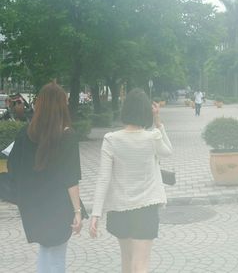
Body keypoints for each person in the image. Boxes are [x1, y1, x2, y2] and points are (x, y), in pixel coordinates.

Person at [89, 88, 173, 273]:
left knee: (127, 261)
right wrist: (158, 122)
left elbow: (103, 178)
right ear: (146, 111)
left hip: (120, 209)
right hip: (146, 208)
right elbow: (168, 151)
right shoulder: (152, 138)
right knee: (141, 264)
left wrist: (96, 213)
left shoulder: (111, 139)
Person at [8, 81, 83, 273]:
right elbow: (71, 178)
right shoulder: (67, 136)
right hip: (58, 206)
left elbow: (13, 167)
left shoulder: (26, 133)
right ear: (61, 105)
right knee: (56, 257)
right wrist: (77, 212)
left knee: (45, 252)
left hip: (33, 205)